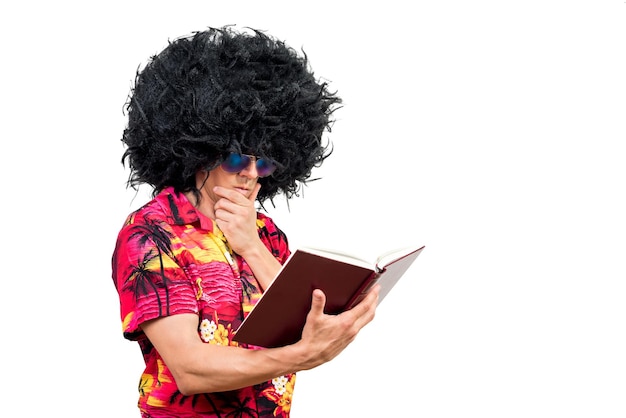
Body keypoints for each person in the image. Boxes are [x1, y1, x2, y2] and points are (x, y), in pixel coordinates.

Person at [111, 26, 380, 417]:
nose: (251, 174)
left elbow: (303, 323)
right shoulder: (151, 234)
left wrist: (250, 245)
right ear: (198, 150)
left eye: (265, 161)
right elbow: (190, 369)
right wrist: (300, 357)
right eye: (237, 158)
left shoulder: (266, 234)